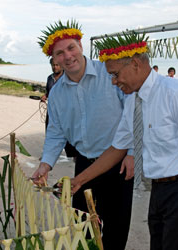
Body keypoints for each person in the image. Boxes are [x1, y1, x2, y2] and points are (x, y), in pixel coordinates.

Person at [71, 31, 178, 250]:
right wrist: (79, 180)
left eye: (115, 74)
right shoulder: (134, 101)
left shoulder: (176, 93)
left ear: (135, 64)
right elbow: (117, 148)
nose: (113, 81)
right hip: (157, 191)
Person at [32, 20, 134, 250]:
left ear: (80, 45)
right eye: (60, 53)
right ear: (54, 59)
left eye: (71, 48)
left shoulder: (109, 75)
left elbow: (132, 114)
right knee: (81, 228)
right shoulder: (57, 92)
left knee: (116, 229)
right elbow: (56, 131)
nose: (67, 56)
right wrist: (45, 164)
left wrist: (133, 153)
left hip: (118, 164)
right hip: (84, 164)